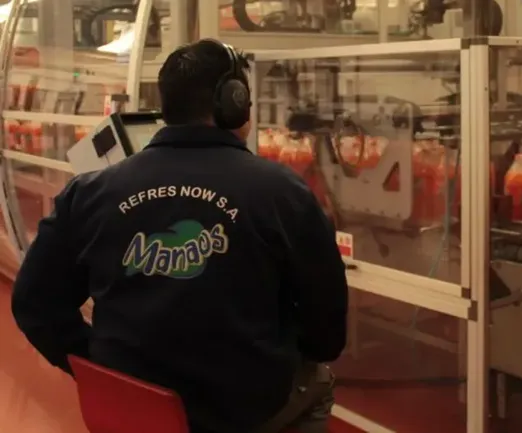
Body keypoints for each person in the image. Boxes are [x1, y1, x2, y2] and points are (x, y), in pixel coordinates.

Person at [11, 39, 349, 433]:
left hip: (133, 408)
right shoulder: (285, 194)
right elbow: (327, 334)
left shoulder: (88, 193)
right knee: (318, 381)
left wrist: (95, 364)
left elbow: (34, 304)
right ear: (235, 102)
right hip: (243, 413)